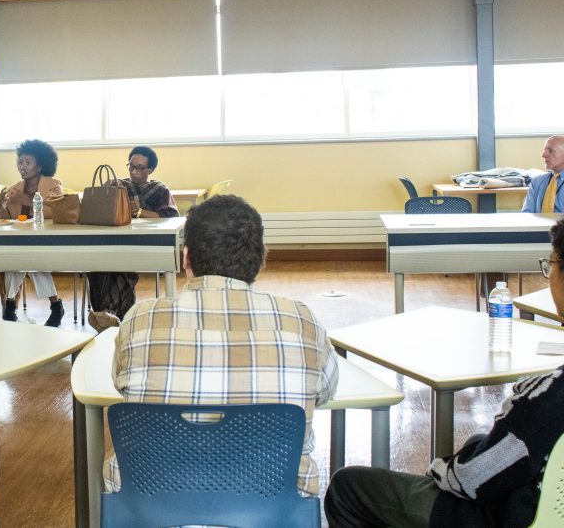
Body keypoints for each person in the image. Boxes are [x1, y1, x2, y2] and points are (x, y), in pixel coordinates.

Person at [327, 220, 564, 528]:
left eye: (552, 265)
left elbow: (472, 478)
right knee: (479, 440)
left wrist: (440, 470)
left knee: (347, 486)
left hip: (510, 516)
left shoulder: (546, 395)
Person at [107, 194, 339, 497]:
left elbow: (120, 383)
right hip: (272, 503)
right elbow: (324, 392)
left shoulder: (140, 320)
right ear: (260, 258)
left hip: (153, 498)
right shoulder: (303, 321)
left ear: (186, 258)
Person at [87, 146, 179, 328]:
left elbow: (170, 217)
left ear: (151, 169)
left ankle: (107, 315)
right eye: (131, 166)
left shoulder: (159, 189)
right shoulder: (120, 186)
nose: (134, 171)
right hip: (113, 242)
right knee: (97, 265)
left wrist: (141, 212)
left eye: (140, 168)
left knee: (122, 265)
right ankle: (110, 316)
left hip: (143, 244)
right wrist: (106, 193)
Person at [0, 139, 65, 327]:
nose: (21, 166)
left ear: (40, 166)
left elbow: (56, 212)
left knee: (34, 262)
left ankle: (53, 307)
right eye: (20, 161)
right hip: (19, 240)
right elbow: (3, 218)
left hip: (45, 241)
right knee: (14, 262)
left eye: (27, 162)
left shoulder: (54, 186)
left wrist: (25, 199)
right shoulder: (16, 187)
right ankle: (13, 307)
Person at [522, 135, 564, 213]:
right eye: (544, 150)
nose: (544, 155)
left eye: (550, 151)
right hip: (537, 225)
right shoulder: (537, 182)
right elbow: (526, 214)